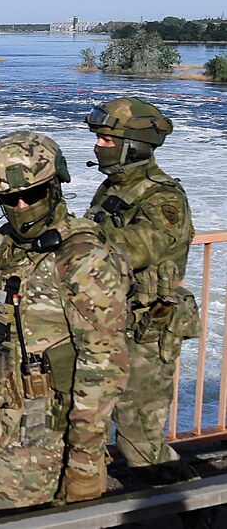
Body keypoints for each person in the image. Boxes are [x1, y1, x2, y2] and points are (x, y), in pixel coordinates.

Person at [0, 131, 129, 517]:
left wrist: (86, 462)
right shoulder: (3, 245)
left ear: (56, 184)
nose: (21, 205)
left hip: (44, 433)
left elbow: (103, 366)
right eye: (8, 199)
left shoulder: (83, 256)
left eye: (33, 195)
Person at [83, 97, 202, 488]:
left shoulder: (162, 197)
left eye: (105, 139)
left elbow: (136, 248)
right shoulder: (113, 187)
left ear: (133, 145)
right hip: (108, 326)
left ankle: (194, 507)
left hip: (147, 333)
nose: (98, 146)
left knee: (140, 442)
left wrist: (75, 239)